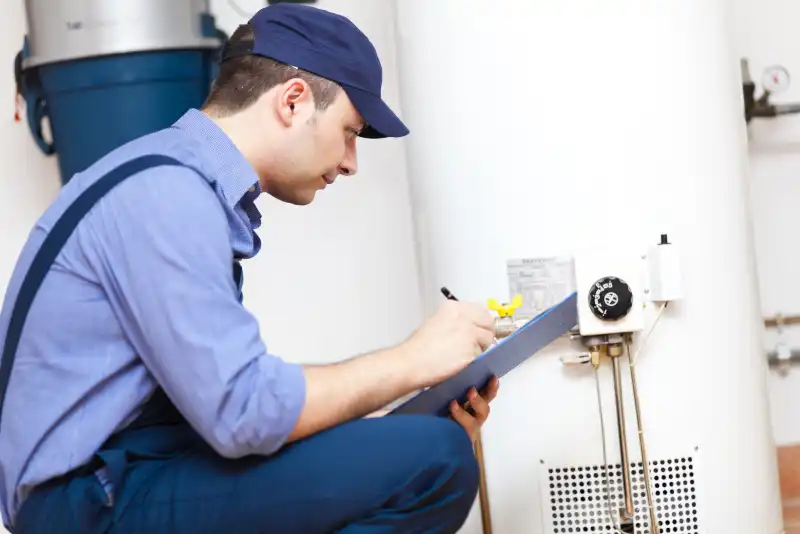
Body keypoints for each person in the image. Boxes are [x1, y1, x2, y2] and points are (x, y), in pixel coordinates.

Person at [0, 4, 500, 534]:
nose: (351, 161)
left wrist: (394, 433)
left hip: (125, 479)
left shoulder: (167, 179)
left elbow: (231, 411)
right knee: (435, 460)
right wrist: (413, 361)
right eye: (350, 131)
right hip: (85, 503)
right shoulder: (167, 195)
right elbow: (244, 413)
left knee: (420, 448)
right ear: (293, 101)